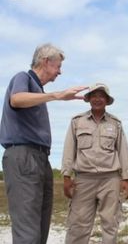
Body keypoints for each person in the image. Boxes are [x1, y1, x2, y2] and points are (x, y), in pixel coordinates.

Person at [0, 43, 87, 244]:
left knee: (40, 226)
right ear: (45, 62)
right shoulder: (23, 78)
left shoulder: (38, 90)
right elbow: (17, 99)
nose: (60, 72)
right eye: (58, 66)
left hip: (41, 158)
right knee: (27, 230)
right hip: (23, 155)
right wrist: (57, 95)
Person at [61, 83, 128, 244]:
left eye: (101, 96)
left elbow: (123, 151)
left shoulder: (115, 124)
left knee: (110, 223)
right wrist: (66, 176)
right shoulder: (77, 122)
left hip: (110, 180)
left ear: (107, 100)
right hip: (83, 180)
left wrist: (126, 178)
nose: (97, 99)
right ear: (88, 99)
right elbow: (69, 149)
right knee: (78, 224)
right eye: (94, 95)